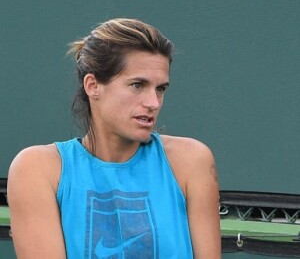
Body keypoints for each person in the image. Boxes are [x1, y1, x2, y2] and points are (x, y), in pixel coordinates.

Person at [7, 18, 221, 258]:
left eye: (160, 89)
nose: (153, 103)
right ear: (93, 85)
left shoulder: (192, 161)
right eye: (138, 85)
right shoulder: (36, 169)